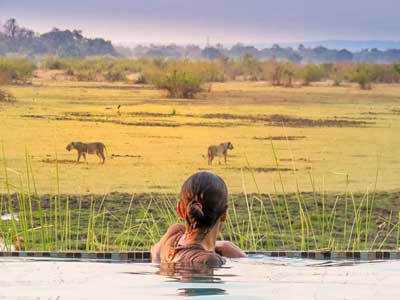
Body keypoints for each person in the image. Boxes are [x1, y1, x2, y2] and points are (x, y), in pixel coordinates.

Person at [151, 171, 246, 266]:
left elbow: (155, 252)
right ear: (224, 214)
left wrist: (222, 246)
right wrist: (240, 256)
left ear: (179, 209)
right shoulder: (209, 261)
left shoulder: (172, 236)